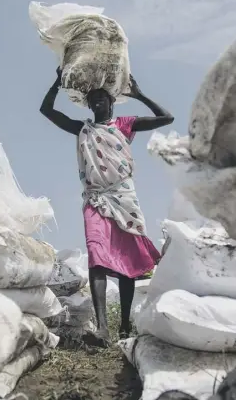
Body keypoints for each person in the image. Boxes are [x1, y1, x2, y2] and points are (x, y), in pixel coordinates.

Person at [40, 67, 174, 347]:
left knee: (126, 262)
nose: (97, 103)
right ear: (89, 106)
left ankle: (124, 326)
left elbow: (166, 117)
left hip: (124, 199)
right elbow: (47, 110)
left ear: (111, 102)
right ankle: (103, 328)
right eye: (93, 101)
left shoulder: (125, 125)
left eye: (102, 99)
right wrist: (57, 82)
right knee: (97, 255)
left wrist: (139, 95)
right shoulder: (83, 129)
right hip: (95, 198)